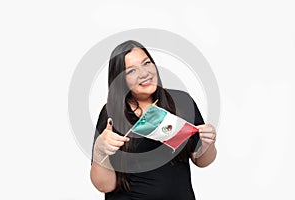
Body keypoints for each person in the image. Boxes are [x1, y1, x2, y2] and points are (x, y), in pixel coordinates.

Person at [90, 40, 217, 200]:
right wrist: (99, 150)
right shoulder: (111, 113)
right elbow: (105, 186)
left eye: (147, 63)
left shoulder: (182, 102)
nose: (144, 73)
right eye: (131, 71)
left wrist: (208, 144)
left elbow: (201, 161)